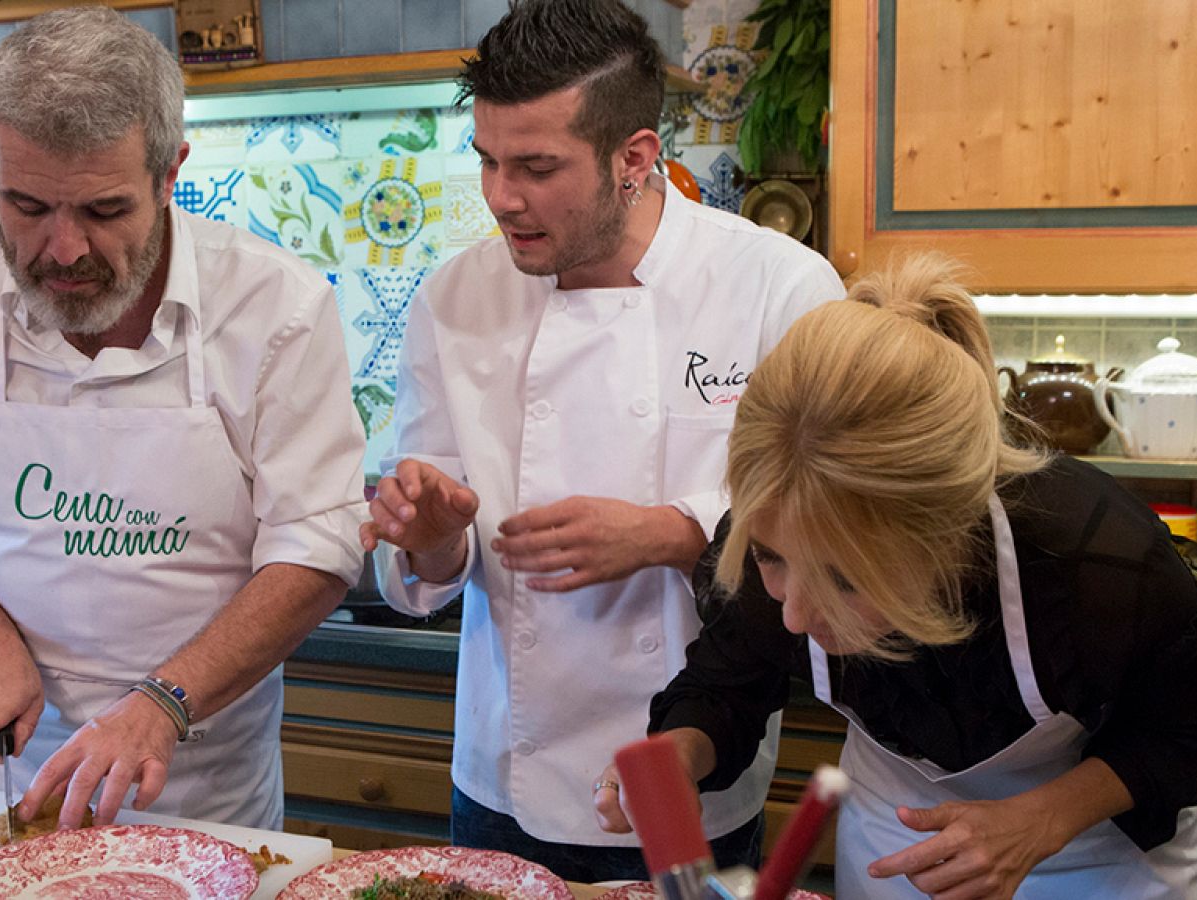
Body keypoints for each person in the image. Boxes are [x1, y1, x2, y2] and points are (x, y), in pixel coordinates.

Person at [358, 0, 843, 882]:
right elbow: (434, 568)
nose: (502, 197)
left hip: (692, 767)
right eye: (489, 161)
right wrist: (430, 536)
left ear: (635, 158)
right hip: (504, 773)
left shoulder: (780, 287)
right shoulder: (453, 299)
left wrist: (674, 531)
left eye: (537, 167)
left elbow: (833, 522)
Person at [0, 7, 365, 831]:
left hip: (201, 787)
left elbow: (318, 544)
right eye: (25, 206)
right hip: (11, 772)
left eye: (102, 210)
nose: (62, 250)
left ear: (171, 173)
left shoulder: (277, 306)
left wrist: (161, 703)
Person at [597, 256, 1197, 897]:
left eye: (846, 580)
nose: (794, 614)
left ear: (949, 536)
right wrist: (681, 755)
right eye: (770, 558)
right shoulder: (778, 527)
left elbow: (1189, 729)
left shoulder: (1097, 565)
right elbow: (726, 686)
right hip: (895, 847)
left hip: (1104, 860)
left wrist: (1041, 820)